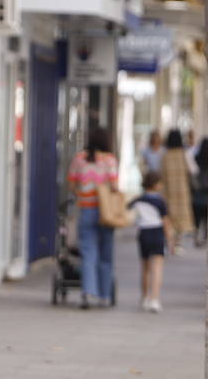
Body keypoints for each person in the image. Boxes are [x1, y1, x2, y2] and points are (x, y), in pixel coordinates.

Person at [67, 127, 118, 309]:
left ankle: (88, 292)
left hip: (86, 210)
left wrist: (83, 193)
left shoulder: (79, 159)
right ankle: (104, 295)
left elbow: (72, 185)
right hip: (106, 213)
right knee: (106, 254)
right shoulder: (110, 160)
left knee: (88, 253)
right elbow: (113, 186)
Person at [129, 171, 173, 313]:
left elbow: (127, 209)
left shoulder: (138, 200)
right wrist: (170, 240)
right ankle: (154, 299)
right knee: (157, 268)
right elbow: (166, 222)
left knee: (145, 268)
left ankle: (144, 297)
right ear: (156, 185)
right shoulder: (160, 201)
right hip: (157, 233)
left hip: (143, 233)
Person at [160, 129, 196, 251]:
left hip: (167, 190)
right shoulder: (185, 154)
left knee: (168, 216)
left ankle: (169, 242)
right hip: (182, 190)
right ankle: (178, 243)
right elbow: (193, 170)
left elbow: (160, 173)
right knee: (181, 216)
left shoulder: (164, 155)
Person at [191, 137, 208, 246]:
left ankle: (196, 237)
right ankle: (206, 238)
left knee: (197, 218)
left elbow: (193, 175)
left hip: (198, 193)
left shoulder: (196, 158)